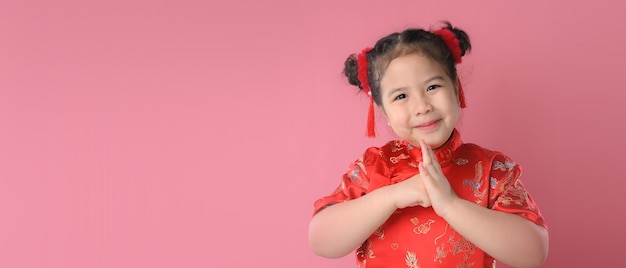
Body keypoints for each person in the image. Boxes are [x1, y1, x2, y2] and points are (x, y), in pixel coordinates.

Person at [308, 22, 549, 268]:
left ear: (456, 89)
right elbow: (321, 240)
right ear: (383, 111)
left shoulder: (490, 170)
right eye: (401, 96)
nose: (422, 106)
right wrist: (392, 196)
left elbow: (532, 253)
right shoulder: (374, 167)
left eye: (432, 87)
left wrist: (450, 204)